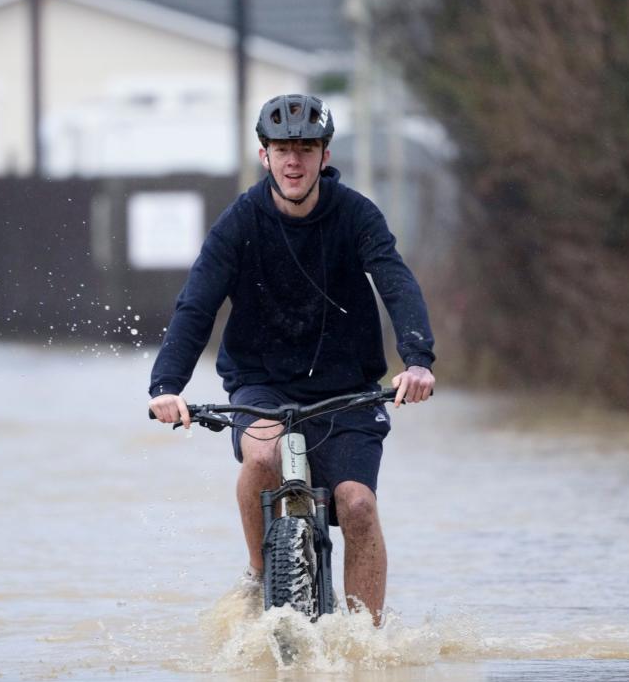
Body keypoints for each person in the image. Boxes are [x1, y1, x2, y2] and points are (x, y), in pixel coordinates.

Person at [147, 94, 435, 624]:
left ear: (326, 156)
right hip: (262, 384)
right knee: (260, 455)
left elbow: (396, 281)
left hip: (347, 390)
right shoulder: (239, 223)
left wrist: (417, 359)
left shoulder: (356, 215)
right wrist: (166, 385)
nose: (294, 161)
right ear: (265, 156)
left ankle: (363, 640)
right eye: (283, 149)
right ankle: (261, 579)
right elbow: (197, 304)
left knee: (357, 505)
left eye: (306, 148)